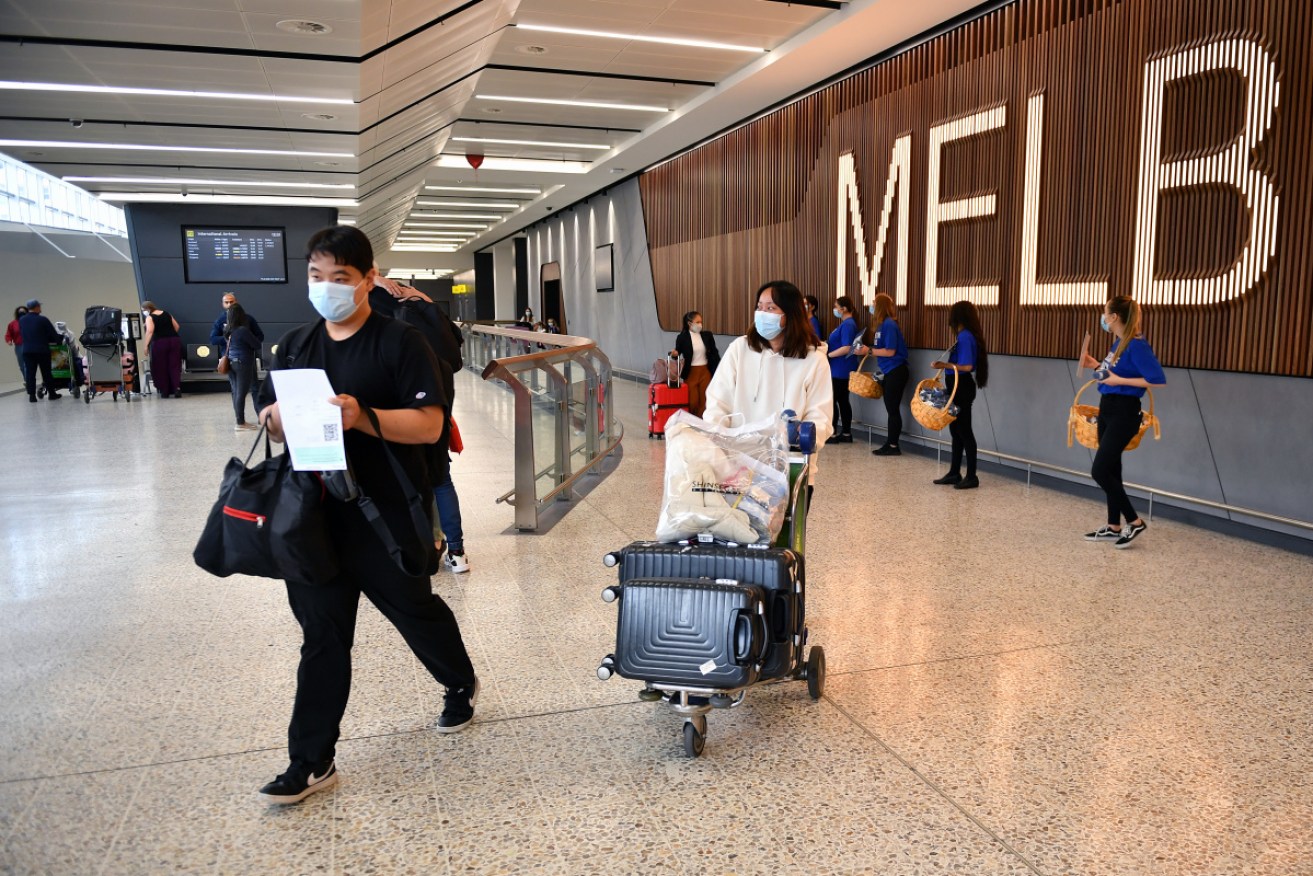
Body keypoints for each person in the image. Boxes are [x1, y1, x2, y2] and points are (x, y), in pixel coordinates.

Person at [255, 226, 478, 803]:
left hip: (385, 514)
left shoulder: (400, 343)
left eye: (341, 278)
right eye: (316, 276)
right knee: (323, 637)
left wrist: (362, 416)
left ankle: (458, 682)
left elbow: (428, 425)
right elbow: (271, 418)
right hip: (314, 516)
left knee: (414, 609)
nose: (326, 288)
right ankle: (311, 761)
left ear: (368, 280)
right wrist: (275, 417)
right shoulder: (297, 345)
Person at [371, 270, 471, 574]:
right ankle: (456, 552)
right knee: (440, 478)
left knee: (400, 479)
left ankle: (412, 548)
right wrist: (420, 297)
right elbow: (456, 346)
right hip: (440, 397)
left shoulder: (374, 307)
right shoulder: (420, 300)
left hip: (401, 405)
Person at [704, 280, 834, 463]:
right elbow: (718, 401)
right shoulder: (740, 349)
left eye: (771, 308)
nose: (762, 314)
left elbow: (820, 416)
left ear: (791, 315)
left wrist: (802, 435)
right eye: (759, 307)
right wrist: (717, 439)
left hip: (790, 466)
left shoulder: (814, 360)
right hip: (739, 464)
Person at [1080, 295, 1166, 548]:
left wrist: (1120, 382)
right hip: (1107, 408)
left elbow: (1156, 379)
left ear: (1115, 317)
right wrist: (1094, 364)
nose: (1103, 318)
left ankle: (1134, 521)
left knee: (1099, 470)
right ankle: (1113, 525)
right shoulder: (1118, 343)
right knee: (1112, 468)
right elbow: (1108, 375)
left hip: (1124, 412)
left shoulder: (1136, 345)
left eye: (1105, 313)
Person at [930, 300, 989, 490]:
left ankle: (971, 476)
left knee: (964, 432)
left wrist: (943, 366)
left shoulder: (965, 337)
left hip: (962, 387)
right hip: (958, 386)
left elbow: (967, 367)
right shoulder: (964, 335)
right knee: (956, 432)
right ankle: (955, 472)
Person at [855, 293, 910, 456]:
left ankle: (893, 445)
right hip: (888, 371)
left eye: (873, 304)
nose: (871, 307)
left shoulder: (890, 325)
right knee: (890, 408)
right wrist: (867, 350)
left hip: (896, 370)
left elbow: (890, 351)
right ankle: (890, 443)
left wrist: (869, 350)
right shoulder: (881, 326)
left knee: (893, 409)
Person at [825, 296, 862, 443]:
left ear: (843, 308)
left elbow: (847, 347)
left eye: (836, 306)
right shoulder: (847, 324)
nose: (835, 309)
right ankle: (846, 433)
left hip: (840, 369)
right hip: (841, 368)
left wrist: (828, 355)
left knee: (833, 401)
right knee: (842, 401)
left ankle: (832, 433)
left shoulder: (848, 325)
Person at [672, 310, 720, 417]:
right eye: (697, 322)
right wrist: (674, 354)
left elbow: (714, 352)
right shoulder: (682, 337)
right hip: (691, 372)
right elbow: (677, 352)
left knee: (705, 400)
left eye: (701, 322)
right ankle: (692, 421)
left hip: (705, 371)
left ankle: (702, 423)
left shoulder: (707, 336)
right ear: (690, 323)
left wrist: (719, 367)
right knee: (693, 401)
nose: (700, 324)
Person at [223, 303, 261, 431]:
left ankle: (239, 420)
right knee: (241, 393)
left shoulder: (228, 330)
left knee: (235, 392)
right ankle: (240, 423)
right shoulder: (243, 330)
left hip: (231, 363)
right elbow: (257, 344)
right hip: (243, 363)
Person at [18, 300, 61, 402]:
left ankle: (32, 396)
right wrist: (58, 342)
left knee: (30, 374)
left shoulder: (22, 320)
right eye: (39, 306)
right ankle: (52, 394)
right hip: (42, 350)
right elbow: (53, 334)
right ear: (36, 307)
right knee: (46, 372)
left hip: (27, 351)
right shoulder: (43, 320)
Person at [142, 301, 183, 398]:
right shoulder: (166, 313)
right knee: (174, 366)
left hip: (160, 343)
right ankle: (176, 388)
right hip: (174, 341)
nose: (143, 312)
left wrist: (145, 345)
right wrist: (170, 334)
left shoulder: (150, 317)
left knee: (160, 366)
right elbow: (177, 326)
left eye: (143, 310)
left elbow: (150, 331)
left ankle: (165, 390)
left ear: (147, 309)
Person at [209, 293, 264, 358]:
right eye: (226, 302)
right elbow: (213, 340)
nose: (229, 304)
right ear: (223, 304)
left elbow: (260, 336)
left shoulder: (249, 318)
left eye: (231, 302)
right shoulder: (220, 320)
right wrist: (231, 339)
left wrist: (250, 341)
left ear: (236, 302)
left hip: (246, 354)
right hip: (227, 355)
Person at [6, 305, 27, 384]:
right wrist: (9, 340)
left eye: (23, 311)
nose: (21, 313)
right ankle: (26, 379)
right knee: (22, 366)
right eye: (20, 312)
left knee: (27, 365)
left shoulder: (29, 322)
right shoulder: (13, 324)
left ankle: (29, 381)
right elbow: (8, 334)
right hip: (19, 346)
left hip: (28, 345)